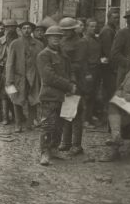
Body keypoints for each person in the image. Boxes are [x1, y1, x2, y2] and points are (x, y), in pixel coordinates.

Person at [36, 25, 77, 166]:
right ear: (47, 38)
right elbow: (48, 77)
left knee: (60, 125)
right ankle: (44, 152)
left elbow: (70, 71)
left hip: (63, 96)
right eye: (53, 37)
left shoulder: (63, 54)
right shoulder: (43, 55)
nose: (56, 39)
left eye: (59, 37)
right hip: (49, 96)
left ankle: (54, 149)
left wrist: (73, 83)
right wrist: (68, 85)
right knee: (47, 125)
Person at [6, 20, 44, 133]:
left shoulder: (39, 44)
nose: (26, 30)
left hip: (33, 77)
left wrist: (42, 78)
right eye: (24, 28)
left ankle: (29, 123)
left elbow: (42, 62)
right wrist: (9, 80)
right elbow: (10, 63)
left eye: (29, 28)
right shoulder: (15, 44)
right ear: (21, 30)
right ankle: (18, 124)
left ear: (32, 30)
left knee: (33, 100)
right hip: (19, 77)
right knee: (16, 100)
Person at [58, 17, 86, 154]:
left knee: (76, 113)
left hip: (76, 79)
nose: (65, 33)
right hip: (63, 79)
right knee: (65, 111)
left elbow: (79, 63)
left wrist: (65, 68)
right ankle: (66, 141)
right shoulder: (62, 41)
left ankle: (76, 144)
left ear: (73, 29)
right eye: (63, 30)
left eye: (68, 30)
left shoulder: (80, 43)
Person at [0, 19, 18, 125]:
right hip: (5, 72)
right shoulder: (0, 41)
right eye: (8, 27)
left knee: (16, 94)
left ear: (16, 28)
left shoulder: (19, 40)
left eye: (12, 27)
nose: (10, 29)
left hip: (17, 72)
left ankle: (17, 116)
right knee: (5, 95)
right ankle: (5, 117)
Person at [99, 8, 120, 120]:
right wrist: (115, 67)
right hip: (109, 67)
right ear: (109, 17)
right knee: (110, 92)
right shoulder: (107, 31)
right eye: (114, 18)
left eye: (118, 17)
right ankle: (109, 119)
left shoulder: (112, 29)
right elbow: (109, 51)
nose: (117, 20)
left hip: (110, 66)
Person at [80, 18, 101, 128]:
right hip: (88, 71)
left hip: (96, 70)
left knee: (93, 95)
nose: (94, 28)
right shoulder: (84, 41)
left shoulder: (95, 40)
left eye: (95, 26)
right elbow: (82, 59)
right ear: (86, 27)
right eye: (91, 26)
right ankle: (84, 120)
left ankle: (89, 117)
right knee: (86, 96)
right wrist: (87, 73)